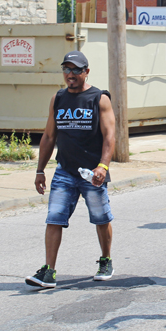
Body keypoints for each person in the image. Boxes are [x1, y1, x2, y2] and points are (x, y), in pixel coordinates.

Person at [26, 51, 116, 288]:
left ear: (86, 72)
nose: (71, 74)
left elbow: (110, 137)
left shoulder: (99, 98)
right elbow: (48, 136)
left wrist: (103, 166)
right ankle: (49, 271)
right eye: (67, 69)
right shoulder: (58, 98)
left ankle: (105, 260)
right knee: (54, 219)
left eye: (76, 70)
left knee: (101, 218)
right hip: (65, 171)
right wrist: (39, 170)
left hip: (92, 174)